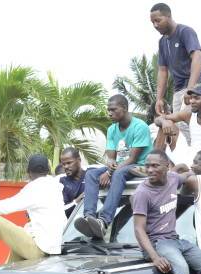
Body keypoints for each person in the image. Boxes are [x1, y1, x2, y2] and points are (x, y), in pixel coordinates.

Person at [0, 154, 65, 268]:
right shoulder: (54, 185)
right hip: (51, 251)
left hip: (39, 251)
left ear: (28, 172)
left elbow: (6, 206)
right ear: (48, 170)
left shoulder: (35, 187)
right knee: (22, 234)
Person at [76, 94, 152, 239]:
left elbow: (132, 159)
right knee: (91, 174)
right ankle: (89, 217)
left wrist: (110, 173)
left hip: (140, 166)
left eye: (113, 109)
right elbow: (112, 158)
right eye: (108, 110)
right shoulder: (112, 129)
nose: (109, 113)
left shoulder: (140, 127)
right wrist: (110, 165)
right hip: (120, 166)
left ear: (124, 108)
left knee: (119, 173)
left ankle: (104, 221)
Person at [150, 3, 201, 142]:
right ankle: (188, 160)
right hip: (179, 89)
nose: (155, 25)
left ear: (168, 16)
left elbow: (197, 57)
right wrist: (159, 98)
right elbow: (163, 70)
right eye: (152, 22)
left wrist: (191, 90)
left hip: (195, 85)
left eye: (158, 20)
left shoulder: (185, 31)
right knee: (179, 129)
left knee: (192, 126)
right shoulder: (162, 42)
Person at [148, 101, 192, 171]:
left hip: (180, 165)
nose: (170, 112)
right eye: (168, 110)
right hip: (169, 164)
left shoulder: (176, 125)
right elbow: (159, 149)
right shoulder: (153, 127)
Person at [58, 147, 86, 218]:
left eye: (69, 163)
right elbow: (62, 212)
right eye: (63, 164)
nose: (66, 167)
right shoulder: (62, 183)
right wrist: (77, 201)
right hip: (73, 226)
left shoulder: (91, 175)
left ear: (79, 160)